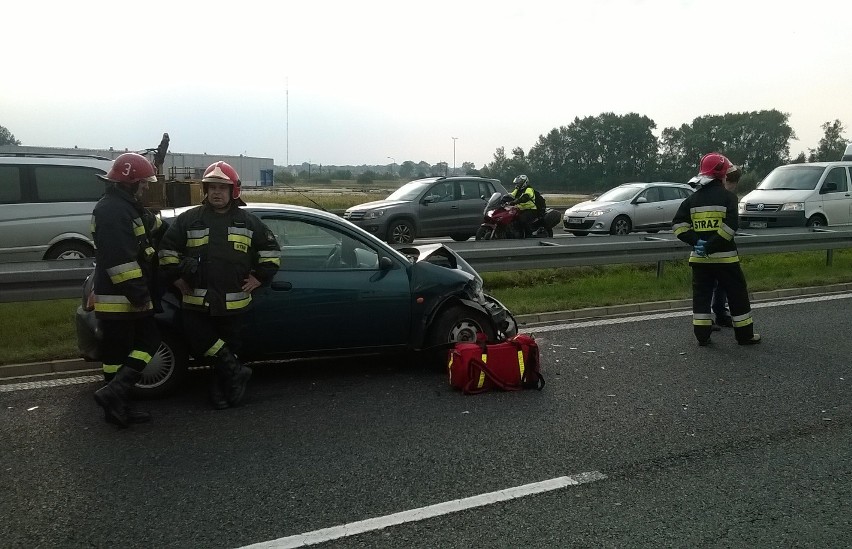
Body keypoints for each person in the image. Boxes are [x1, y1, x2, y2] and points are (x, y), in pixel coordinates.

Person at [158, 161, 280, 409]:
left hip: (234, 302)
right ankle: (238, 373)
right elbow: (167, 251)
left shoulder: (248, 222)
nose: (216, 192)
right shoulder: (189, 219)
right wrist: (176, 278)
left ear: (233, 190)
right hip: (196, 301)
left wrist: (259, 277)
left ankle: (222, 387)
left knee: (228, 348)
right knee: (204, 343)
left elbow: (271, 252)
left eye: (221, 188)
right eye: (212, 187)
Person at [92, 152, 164, 427]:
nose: (146, 187)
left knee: (116, 357)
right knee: (148, 341)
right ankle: (114, 394)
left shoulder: (125, 206)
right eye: (143, 183)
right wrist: (139, 295)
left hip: (121, 296)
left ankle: (116, 405)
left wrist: (167, 226)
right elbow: (120, 260)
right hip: (122, 297)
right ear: (129, 182)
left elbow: (151, 224)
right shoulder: (112, 211)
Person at [672, 152, 761, 346]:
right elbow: (729, 228)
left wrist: (696, 242)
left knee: (701, 297)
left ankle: (702, 336)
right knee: (737, 295)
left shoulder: (691, 200)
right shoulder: (729, 198)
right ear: (723, 174)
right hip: (725, 260)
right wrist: (712, 245)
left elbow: (678, 226)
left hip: (699, 260)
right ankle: (745, 336)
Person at [710, 164, 742, 329]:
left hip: (714, 246)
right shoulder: (726, 197)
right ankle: (717, 314)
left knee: (718, 283)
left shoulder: (719, 195)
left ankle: (719, 313)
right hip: (719, 246)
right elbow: (731, 225)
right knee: (715, 283)